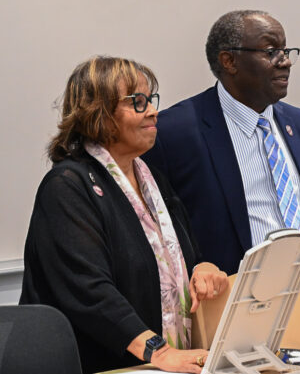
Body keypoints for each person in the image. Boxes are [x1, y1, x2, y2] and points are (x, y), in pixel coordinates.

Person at [21, 56, 228, 374]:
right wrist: (159, 352)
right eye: (138, 102)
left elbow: (188, 256)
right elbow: (89, 292)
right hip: (98, 365)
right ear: (98, 113)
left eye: (151, 99)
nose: (153, 111)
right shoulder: (66, 186)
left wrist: (204, 268)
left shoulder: (153, 179)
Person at [144, 10, 300, 275]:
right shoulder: (174, 133)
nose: (285, 62)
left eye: (286, 51)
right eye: (271, 52)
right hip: (234, 291)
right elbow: (156, 229)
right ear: (229, 61)